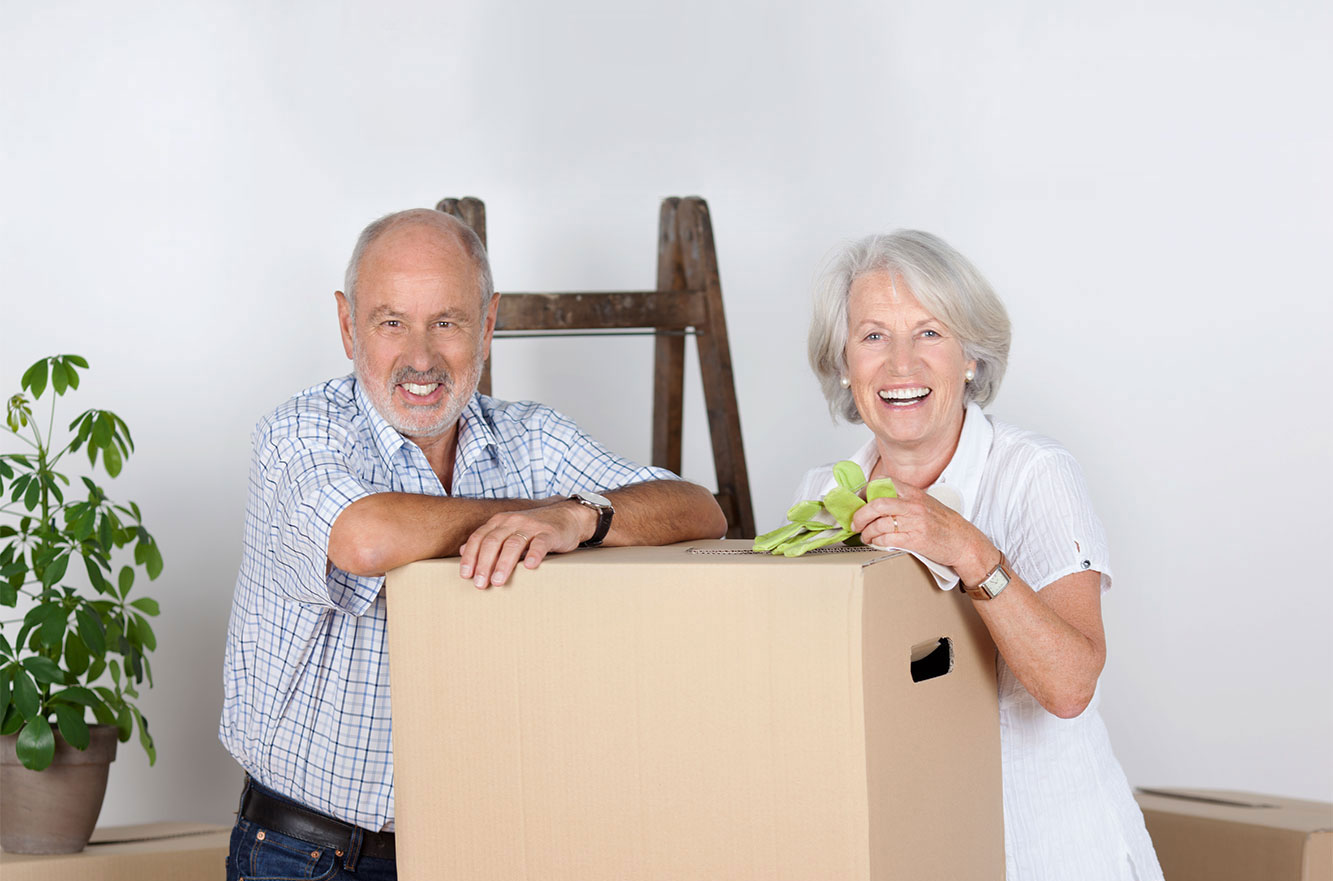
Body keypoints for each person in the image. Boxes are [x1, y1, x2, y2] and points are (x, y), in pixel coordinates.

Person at [219, 208, 727, 880]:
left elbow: (699, 509)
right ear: (348, 326)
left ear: (487, 324)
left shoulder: (532, 438)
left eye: (448, 321)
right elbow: (365, 539)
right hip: (308, 856)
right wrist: (537, 511)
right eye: (391, 321)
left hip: (485, 847)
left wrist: (578, 518)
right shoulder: (298, 433)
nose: (421, 357)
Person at [795, 230, 1162, 881]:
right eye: (873, 335)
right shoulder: (821, 500)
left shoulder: (1034, 474)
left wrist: (964, 546)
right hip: (910, 852)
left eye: (929, 332)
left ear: (969, 356)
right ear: (844, 364)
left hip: (1050, 852)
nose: (900, 364)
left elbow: (1069, 685)